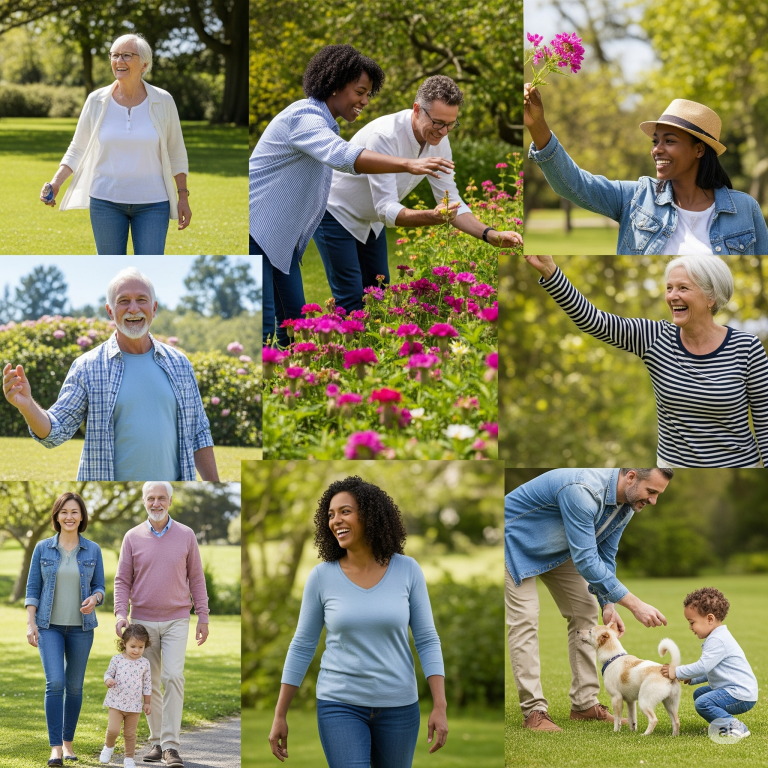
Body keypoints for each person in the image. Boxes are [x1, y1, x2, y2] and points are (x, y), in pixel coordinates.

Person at [250, 44, 456, 346]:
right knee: (266, 326)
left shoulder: (324, 124)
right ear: (334, 85)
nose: (365, 101)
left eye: (369, 94)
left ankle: (288, 387)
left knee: (295, 327)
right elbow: (342, 155)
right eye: (360, 91)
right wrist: (409, 164)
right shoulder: (304, 117)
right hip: (256, 234)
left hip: (281, 244)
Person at [523, 253, 768, 468]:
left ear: (711, 297)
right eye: (669, 288)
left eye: (683, 288)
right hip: (673, 472)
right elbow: (593, 320)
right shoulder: (656, 338)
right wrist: (550, 272)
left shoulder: (746, 347)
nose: (672, 296)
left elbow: (765, 422)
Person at [268, 476, 448, 766]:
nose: (335, 520)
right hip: (339, 704)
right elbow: (302, 645)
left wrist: (440, 705)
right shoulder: (321, 577)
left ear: (370, 515)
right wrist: (280, 714)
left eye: (345, 511)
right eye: (330, 514)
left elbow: (427, 639)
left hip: (400, 707)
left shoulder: (408, 570)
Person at [314, 74, 523, 312]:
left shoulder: (438, 139)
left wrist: (490, 235)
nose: (444, 132)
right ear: (417, 109)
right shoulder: (384, 137)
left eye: (450, 124)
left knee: (378, 295)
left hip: (370, 220)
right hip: (335, 213)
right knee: (351, 300)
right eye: (438, 122)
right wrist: (432, 217)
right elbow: (386, 209)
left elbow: (452, 201)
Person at [2, 267, 218, 481]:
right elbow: (56, 431)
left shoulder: (180, 364)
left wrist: (214, 486)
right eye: (123, 301)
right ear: (110, 311)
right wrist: (28, 406)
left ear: (154, 308)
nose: (133, 309)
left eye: (141, 300)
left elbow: (199, 434)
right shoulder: (87, 367)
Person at [505, 468, 673, 731]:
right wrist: (635, 605)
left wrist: (608, 604)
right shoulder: (581, 490)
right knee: (525, 619)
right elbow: (585, 559)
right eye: (650, 492)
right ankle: (534, 711)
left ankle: (584, 704)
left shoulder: (626, 506)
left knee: (585, 612)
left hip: (558, 549)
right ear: (631, 477)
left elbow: (605, 556)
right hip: (514, 544)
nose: (653, 501)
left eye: (658, 495)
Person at [524, 84, 768, 255]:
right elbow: (574, 184)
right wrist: (537, 125)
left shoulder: (746, 209)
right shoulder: (635, 197)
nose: (657, 149)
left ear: (699, 150)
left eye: (669, 141)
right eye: (655, 141)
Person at [39, 33, 190, 255]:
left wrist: (183, 197)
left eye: (127, 55)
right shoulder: (96, 100)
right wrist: (56, 183)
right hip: (105, 202)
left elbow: (177, 152)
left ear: (144, 64)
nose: (119, 61)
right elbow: (77, 148)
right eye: (115, 55)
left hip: (153, 203)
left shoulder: (163, 100)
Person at [114, 481, 209, 768]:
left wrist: (202, 615)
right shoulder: (131, 537)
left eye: (162, 498)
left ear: (170, 500)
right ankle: (156, 742)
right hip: (142, 621)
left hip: (177, 619)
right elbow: (122, 581)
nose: (156, 503)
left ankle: (171, 746)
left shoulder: (186, 535)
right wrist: (121, 614)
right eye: (151, 498)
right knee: (150, 683)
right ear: (144, 501)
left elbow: (197, 578)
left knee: (172, 677)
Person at [25, 492, 105, 766]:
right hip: (49, 627)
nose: (69, 517)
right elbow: (33, 588)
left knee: (74, 686)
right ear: (56, 516)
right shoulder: (42, 548)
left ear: (82, 516)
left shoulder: (93, 549)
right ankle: (55, 748)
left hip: (82, 629)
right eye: (64, 512)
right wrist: (30, 623)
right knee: (55, 682)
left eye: (74, 512)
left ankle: (69, 744)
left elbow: (100, 587)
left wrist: (95, 599)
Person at [661, 587, 757, 740]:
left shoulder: (717, 640)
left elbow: (703, 666)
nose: (690, 627)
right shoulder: (718, 636)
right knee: (699, 693)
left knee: (703, 702)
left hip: (741, 694)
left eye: (692, 622)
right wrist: (693, 679)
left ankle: (735, 727)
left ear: (710, 619)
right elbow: (713, 670)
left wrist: (676, 672)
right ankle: (721, 723)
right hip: (736, 689)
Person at [100, 623, 153, 768]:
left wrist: (147, 703)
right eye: (133, 646)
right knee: (113, 730)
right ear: (124, 643)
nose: (137, 650)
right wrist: (108, 680)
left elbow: (148, 684)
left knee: (130, 734)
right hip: (116, 702)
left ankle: (129, 758)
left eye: (141, 647)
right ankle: (108, 747)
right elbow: (108, 673)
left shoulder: (144, 663)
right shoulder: (117, 659)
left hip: (134, 705)